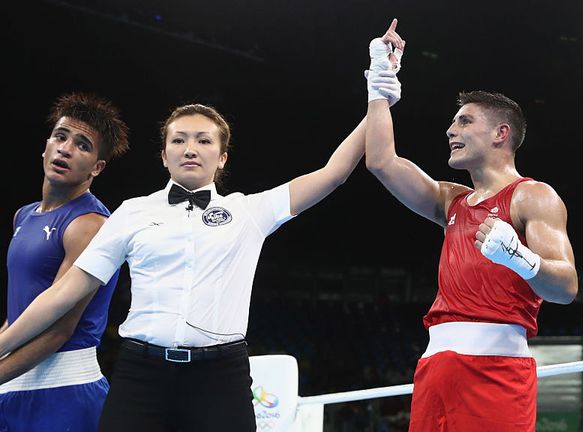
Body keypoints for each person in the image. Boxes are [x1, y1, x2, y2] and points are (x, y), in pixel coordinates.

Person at [0, 22, 403, 429]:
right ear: (163, 155)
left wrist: (379, 92)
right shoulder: (131, 212)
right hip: (141, 376)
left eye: (204, 140)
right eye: (179, 140)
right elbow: (61, 296)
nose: (190, 148)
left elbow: (333, 172)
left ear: (223, 157)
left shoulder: (250, 212)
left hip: (220, 378)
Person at [364, 23, 578, 431]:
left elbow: (566, 287)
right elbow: (381, 163)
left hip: (496, 372)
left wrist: (521, 259)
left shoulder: (533, 196)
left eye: (464, 122)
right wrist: (380, 83)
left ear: (501, 133)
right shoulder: (451, 201)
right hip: (436, 368)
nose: (450, 130)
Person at [0, 92, 129, 431]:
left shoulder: (90, 224)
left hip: (65, 394)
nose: (66, 149)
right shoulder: (24, 216)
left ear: (97, 167)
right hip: (15, 383)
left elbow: (59, 328)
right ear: (45, 146)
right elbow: (18, 313)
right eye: (60, 136)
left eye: (83, 145)